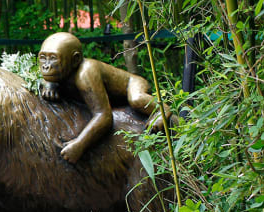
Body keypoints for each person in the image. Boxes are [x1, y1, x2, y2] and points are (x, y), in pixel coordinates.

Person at [38, 32, 171, 163]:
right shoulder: (63, 72)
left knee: (136, 99)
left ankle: (163, 109)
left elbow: (104, 116)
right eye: (43, 57)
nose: (46, 65)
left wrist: (79, 144)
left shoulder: (86, 73)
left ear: (75, 59)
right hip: (109, 96)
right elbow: (51, 79)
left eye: (53, 58)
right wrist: (50, 85)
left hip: (132, 85)